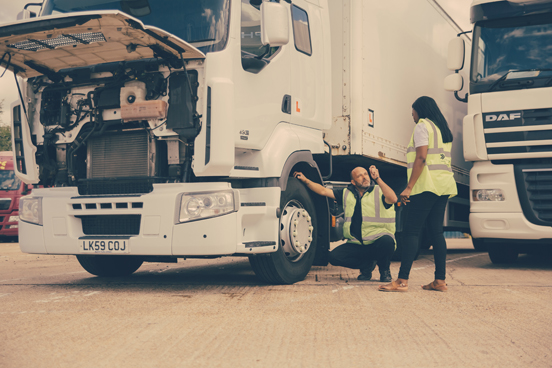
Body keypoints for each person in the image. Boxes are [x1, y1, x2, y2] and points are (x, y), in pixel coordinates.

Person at [379, 96, 457, 292]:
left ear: (420, 110)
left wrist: (409, 187)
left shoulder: (423, 126)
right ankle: (440, 281)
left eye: (412, 111)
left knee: (411, 231)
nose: (411, 115)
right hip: (444, 185)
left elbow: (421, 158)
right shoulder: (442, 129)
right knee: (436, 232)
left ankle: (402, 281)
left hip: (427, 185)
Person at [294, 166, 398, 282]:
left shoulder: (379, 191)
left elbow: (393, 199)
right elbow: (323, 191)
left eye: (365, 174)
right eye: (360, 176)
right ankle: (366, 266)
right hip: (357, 243)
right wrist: (305, 180)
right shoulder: (346, 193)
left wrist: (378, 178)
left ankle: (384, 271)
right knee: (333, 257)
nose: (364, 177)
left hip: (377, 240)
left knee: (387, 241)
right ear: (353, 182)